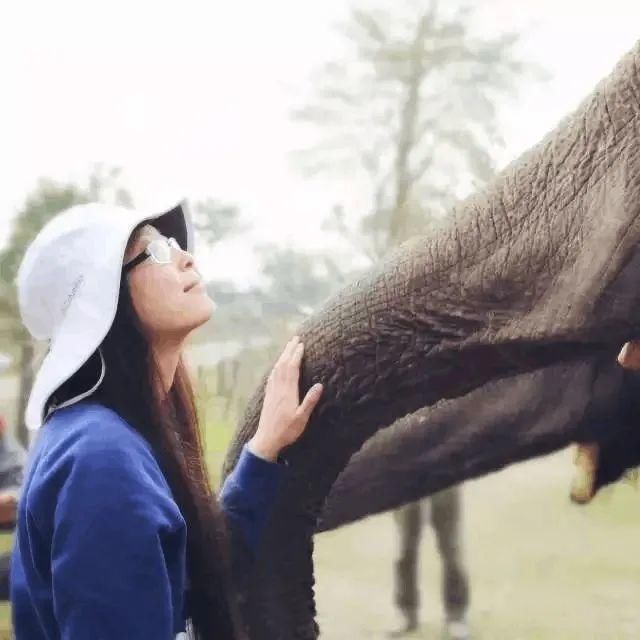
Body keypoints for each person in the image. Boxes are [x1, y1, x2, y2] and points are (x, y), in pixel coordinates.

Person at [9, 201, 324, 639]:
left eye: (174, 243)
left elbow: (187, 578)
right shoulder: (100, 462)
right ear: (102, 300)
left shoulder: (104, 438)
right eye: (155, 252)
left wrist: (264, 447)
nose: (186, 257)